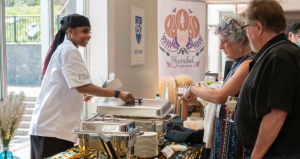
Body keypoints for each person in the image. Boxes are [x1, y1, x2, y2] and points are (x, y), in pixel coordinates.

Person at [29, 14, 135, 159]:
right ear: (70, 31)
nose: (89, 36)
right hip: (52, 130)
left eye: (89, 32)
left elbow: (67, 85)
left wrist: (79, 96)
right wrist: (118, 93)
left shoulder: (66, 48)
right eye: (85, 31)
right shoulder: (69, 50)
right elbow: (82, 86)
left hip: (50, 128)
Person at [234, 0, 300, 158]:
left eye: (246, 28)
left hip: (275, 153)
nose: (246, 35)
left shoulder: (280, 56)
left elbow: (276, 114)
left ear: (258, 27)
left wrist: (256, 156)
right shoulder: (275, 53)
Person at [183, 17, 255, 159]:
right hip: (226, 134)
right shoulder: (238, 62)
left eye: (224, 41)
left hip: (235, 138)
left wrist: (193, 89)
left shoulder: (247, 64)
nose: (221, 47)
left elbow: (219, 97)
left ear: (240, 40)